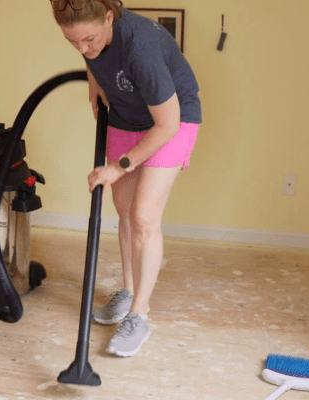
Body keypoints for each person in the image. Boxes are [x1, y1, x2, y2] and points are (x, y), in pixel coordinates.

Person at [50, 0, 202, 357]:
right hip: (125, 116)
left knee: (144, 217)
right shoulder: (90, 37)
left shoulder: (141, 49)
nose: (83, 49)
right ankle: (129, 290)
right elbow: (95, 57)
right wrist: (92, 80)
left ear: (108, 17)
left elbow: (167, 124)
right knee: (125, 210)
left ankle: (139, 315)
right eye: (73, 43)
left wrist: (119, 166)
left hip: (170, 123)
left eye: (88, 39)